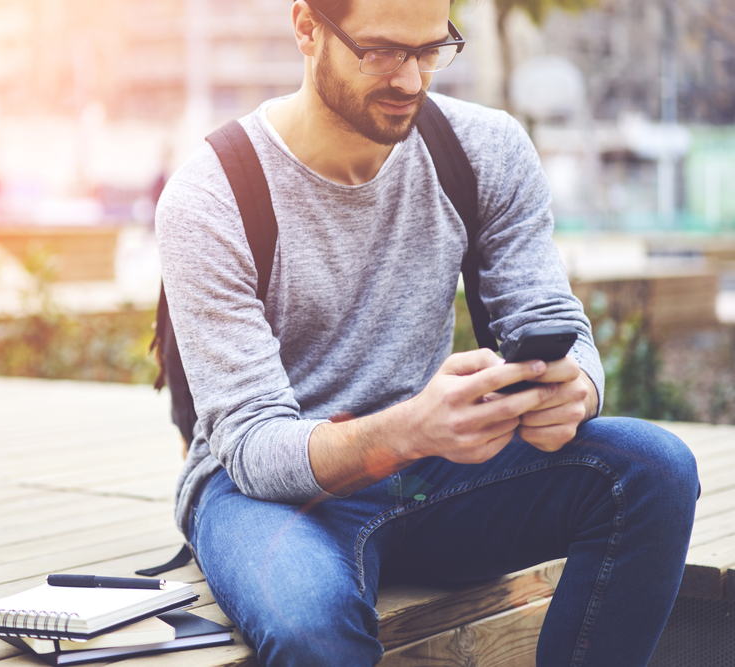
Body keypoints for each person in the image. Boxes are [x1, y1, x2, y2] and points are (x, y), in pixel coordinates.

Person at [154, 0, 700, 664]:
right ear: (306, 28)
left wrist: (576, 387)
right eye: (381, 52)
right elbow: (255, 446)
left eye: (430, 49)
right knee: (312, 629)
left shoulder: (483, 148)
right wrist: (408, 428)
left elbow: (555, 322)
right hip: (265, 492)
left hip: (432, 474)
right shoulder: (212, 196)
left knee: (654, 471)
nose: (411, 81)